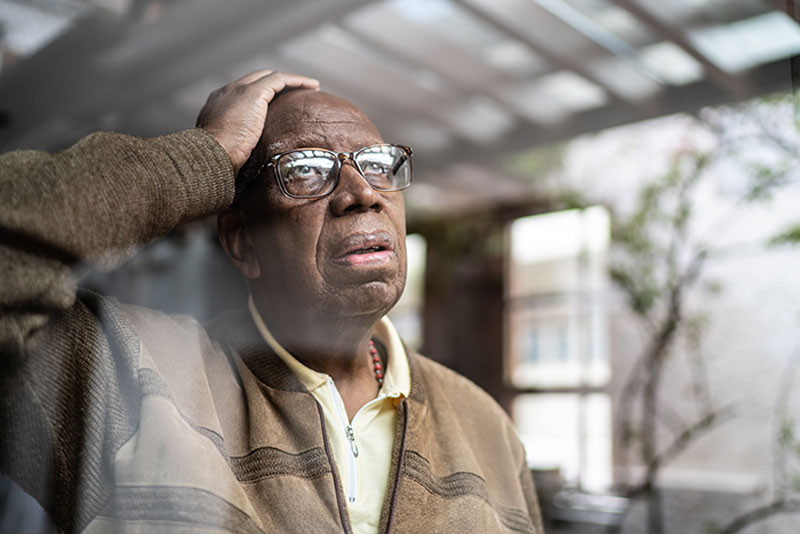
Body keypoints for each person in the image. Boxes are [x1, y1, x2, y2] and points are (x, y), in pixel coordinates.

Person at [0, 70, 543, 534]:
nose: (363, 194)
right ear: (242, 242)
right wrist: (202, 156)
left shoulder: (485, 427)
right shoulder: (131, 378)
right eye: (306, 169)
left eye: (378, 163)